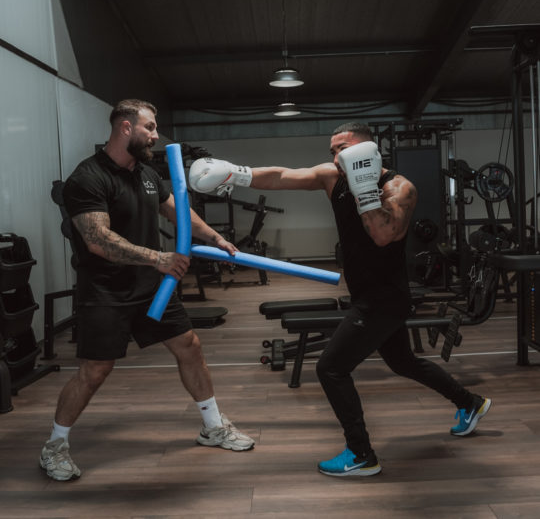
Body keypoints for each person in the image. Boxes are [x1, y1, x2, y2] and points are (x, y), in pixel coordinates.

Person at [188, 121, 491, 477]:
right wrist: (233, 174)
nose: (334, 157)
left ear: (368, 150)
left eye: (342, 149)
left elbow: (381, 235)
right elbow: (282, 176)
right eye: (332, 151)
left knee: (330, 368)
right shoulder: (333, 178)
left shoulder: (399, 187)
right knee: (403, 362)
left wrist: (364, 187)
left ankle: (361, 454)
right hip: (366, 292)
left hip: (384, 298)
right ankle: (470, 403)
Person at [40, 99, 254, 482]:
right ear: (125, 127)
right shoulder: (87, 178)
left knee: (190, 346)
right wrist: (158, 257)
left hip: (151, 286)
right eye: (150, 128)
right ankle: (54, 446)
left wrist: (218, 238)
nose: (155, 135)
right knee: (95, 370)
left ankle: (212, 426)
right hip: (106, 290)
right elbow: (97, 240)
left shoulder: (147, 173)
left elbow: (177, 211)